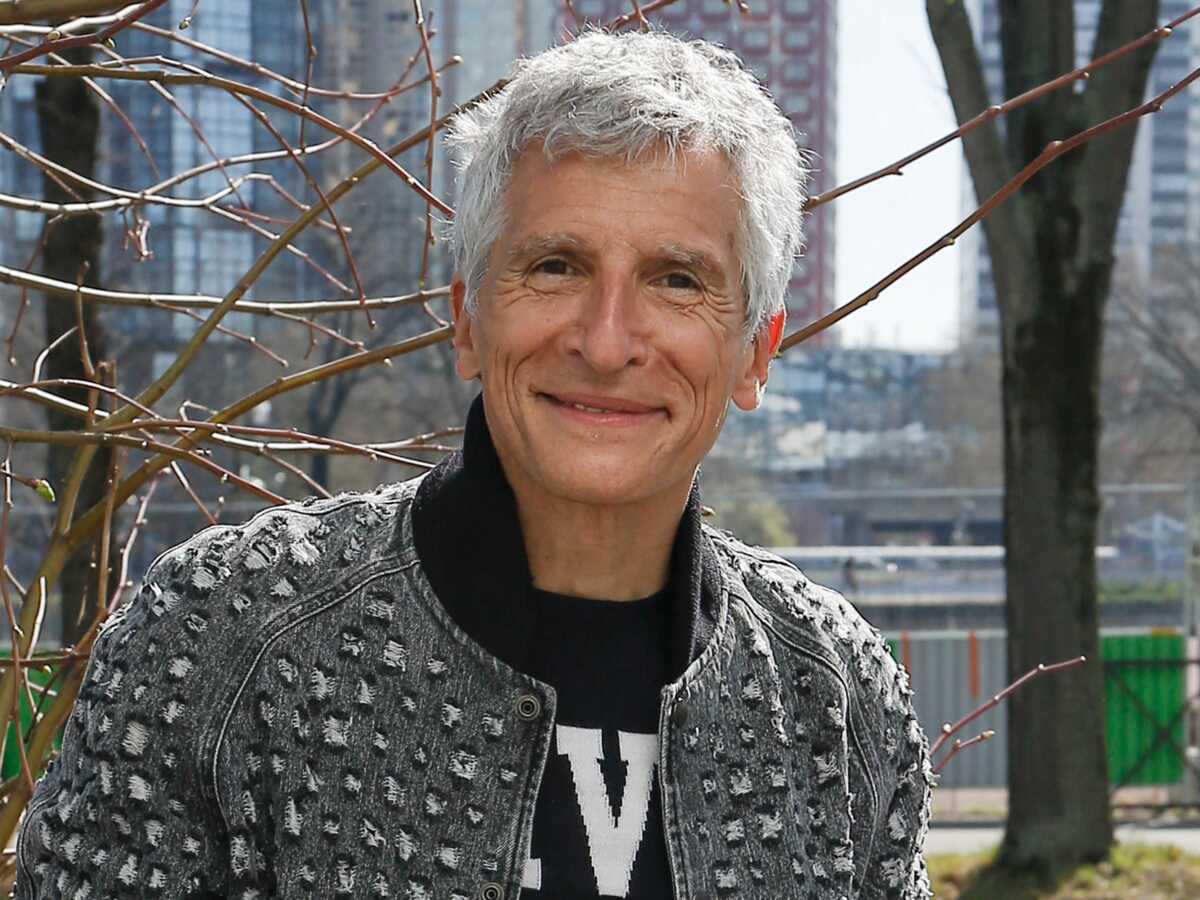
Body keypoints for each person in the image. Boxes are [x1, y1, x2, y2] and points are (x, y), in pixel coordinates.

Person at [16, 29, 932, 900]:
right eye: (557, 266)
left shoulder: (837, 696)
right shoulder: (226, 635)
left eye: (677, 279)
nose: (607, 342)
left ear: (756, 352)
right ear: (465, 317)